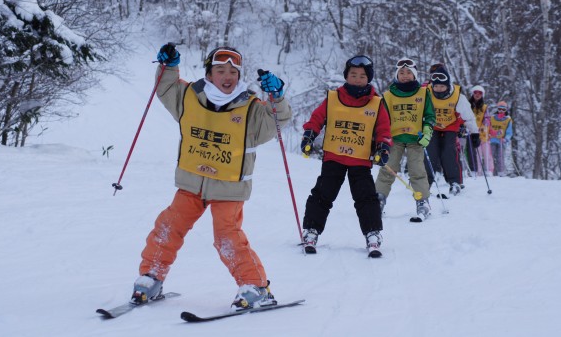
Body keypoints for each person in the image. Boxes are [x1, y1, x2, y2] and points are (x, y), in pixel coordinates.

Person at [131, 44, 291, 311]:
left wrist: (276, 96)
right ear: (209, 73)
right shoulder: (189, 97)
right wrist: (168, 67)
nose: (227, 76)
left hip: (229, 186)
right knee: (168, 227)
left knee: (227, 237)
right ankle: (151, 276)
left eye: (233, 71)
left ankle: (256, 286)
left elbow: (277, 120)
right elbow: (166, 88)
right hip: (191, 182)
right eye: (220, 70)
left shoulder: (251, 108)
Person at [300, 55, 392, 257]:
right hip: (334, 157)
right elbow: (317, 118)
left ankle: (372, 234)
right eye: (353, 75)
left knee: (366, 197)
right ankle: (311, 230)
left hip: (360, 160)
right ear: (346, 76)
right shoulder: (333, 98)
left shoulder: (376, 103)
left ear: (368, 78)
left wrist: (383, 147)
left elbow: (383, 129)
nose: (357, 79)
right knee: (323, 194)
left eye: (362, 76)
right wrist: (309, 135)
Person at [374, 58, 436, 221]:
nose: (405, 75)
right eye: (401, 73)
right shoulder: (388, 95)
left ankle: (422, 200)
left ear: (414, 75)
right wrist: (380, 139)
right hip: (394, 138)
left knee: (417, 170)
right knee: (388, 169)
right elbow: (381, 118)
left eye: (409, 72)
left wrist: (427, 131)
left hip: (416, 139)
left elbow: (430, 115)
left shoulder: (423, 93)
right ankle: (379, 199)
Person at [425, 65, 480, 195]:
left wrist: (475, 133)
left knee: (449, 152)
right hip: (431, 126)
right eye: (436, 86)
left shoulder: (457, 97)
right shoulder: (426, 93)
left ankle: (455, 182)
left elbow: (469, 117)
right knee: (429, 152)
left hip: (450, 127)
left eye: (442, 87)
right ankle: (425, 182)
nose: (438, 89)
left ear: (448, 85)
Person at [467, 85, 493, 177]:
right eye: (475, 92)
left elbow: (487, 118)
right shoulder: (468, 105)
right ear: (472, 94)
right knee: (477, 153)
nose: (477, 95)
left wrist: (485, 124)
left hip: (483, 132)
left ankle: (489, 170)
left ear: (482, 95)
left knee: (486, 153)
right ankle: (478, 171)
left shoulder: (485, 107)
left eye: (480, 93)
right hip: (472, 132)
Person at [490, 100, 513, 176]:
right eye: (499, 109)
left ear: (506, 110)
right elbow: (488, 127)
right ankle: (490, 172)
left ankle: (501, 172)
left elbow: (509, 131)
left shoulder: (508, 119)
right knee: (491, 156)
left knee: (500, 156)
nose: (501, 111)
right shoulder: (492, 118)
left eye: (503, 109)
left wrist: (506, 138)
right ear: (497, 109)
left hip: (501, 140)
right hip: (492, 139)